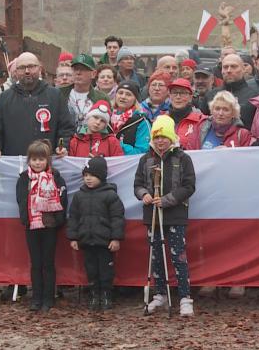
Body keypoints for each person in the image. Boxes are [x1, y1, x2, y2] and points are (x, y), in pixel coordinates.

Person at [134, 115, 196, 317]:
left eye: (164, 136)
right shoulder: (146, 159)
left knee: (178, 256)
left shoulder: (182, 158)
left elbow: (188, 186)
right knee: (156, 257)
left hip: (175, 215)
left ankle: (185, 297)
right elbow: (138, 184)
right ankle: (160, 293)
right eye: (157, 137)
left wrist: (168, 199)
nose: (160, 141)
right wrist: (144, 195)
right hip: (152, 215)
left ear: (171, 137)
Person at [0, 52, 74, 157]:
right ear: (16, 72)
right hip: (14, 165)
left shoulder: (55, 96)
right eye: (22, 68)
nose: (27, 71)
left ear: (39, 69)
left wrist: (62, 146)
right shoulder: (4, 99)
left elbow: (66, 128)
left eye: (31, 67)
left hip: (46, 165)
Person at [67, 156, 125, 311]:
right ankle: (94, 294)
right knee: (91, 269)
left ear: (101, 176)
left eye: (92, 175)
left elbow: (117, 218)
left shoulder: (110, 195)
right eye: (85, 176)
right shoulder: (79, 196)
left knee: (106, 270)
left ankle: (106, 294)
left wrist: (116, 238)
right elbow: (73, 217)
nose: (88, 179)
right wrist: (73, 237)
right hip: (86, 240)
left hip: (105, 242)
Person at [16, 140, 68, 312]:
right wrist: (26, 218)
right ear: (29, 160)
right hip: (32, 225)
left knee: (48, 263)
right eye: (34, 159)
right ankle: (36, 297)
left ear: (48, 160)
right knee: (36, 263)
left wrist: (58, 220)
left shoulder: (55, 176)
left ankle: (48, 297)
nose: (38, 163)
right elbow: (21, 199)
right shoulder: (24, 178)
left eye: (41, 159)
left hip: (50, 225)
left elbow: (63, 198)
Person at [208, 53, 259, 127]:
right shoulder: (211, 95)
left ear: (243, 69)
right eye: (225, 67)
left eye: (234, 66)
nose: (229, 70)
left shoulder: (256, 97)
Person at [61, 54, 109, 131]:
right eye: (75, 69)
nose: (78, 72)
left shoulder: (102, 98)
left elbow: (106, 126)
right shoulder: (60, 93)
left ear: (93, 74)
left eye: (83, 69)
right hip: (65, 139)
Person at [111, 82, 150, 155]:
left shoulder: (141, 121)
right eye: (120, 93)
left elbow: (142, 152)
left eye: (128, 94)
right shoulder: (105, 116)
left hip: (129, 164)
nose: (123, 97)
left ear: (135, 99)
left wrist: (118, 144)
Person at [167, 78, 206, 151]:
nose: (178, 97)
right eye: (174, 93)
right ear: (170, 96)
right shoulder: (161, 120)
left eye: (183, 93)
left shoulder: (201, 121)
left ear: (190, 97)